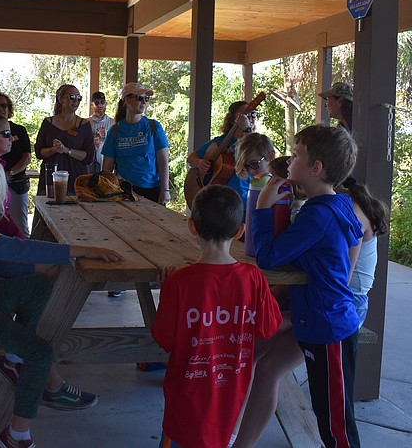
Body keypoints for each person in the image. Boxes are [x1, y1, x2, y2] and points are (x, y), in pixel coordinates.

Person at [0, 157, 123, 448]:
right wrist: (80, 250)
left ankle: (14, 359)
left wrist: (36, 270)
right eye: (0, 190)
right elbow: (19, 249)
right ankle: (17, 435)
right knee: (40, 353)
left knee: (38, 286)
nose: (5, 197)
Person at [252, 124, 363, 448]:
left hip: (326, 326)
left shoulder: (317, 215)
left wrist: (262, 207)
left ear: (316, 168)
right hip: (322, 319)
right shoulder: (337, 203)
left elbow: (268, 258)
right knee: (329, 413)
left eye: (297, 155)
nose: (290, 161)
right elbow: (354, 236)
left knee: (336, 422)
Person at [151, 184, 282, 448]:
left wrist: (166, 291)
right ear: (239, 232)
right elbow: (269, 327)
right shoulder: (253, 278)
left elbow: (164, 338)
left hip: (186, 402)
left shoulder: (179, 282)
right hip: (230, 399)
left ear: (192, 227)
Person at [102, 82, 170, 204]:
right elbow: (107, 166)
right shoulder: (115, 130)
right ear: (127, 100)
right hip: (124, 191)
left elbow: (163, 161)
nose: (144, 102)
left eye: (146, 98)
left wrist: (165, 190)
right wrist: (106, 189)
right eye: (140, 98)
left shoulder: (154, 126)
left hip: (152, 189)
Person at [187, 101, 257, 208]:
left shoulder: (257, 141)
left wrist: (248, 130)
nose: (249, 118)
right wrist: (200, 163)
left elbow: (254, 152)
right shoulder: (219, 142)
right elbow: (191, 158)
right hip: (217, 201)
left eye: (253, 114)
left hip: (243, 199)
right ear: (233, 119)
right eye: (244, 115)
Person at [342, 178, 389, 327]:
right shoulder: (358, 207)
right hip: (353, 296)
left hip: (352, 300)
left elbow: (347, 270)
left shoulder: (355, 213)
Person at [34, 84, 95, 195]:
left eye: (79, 98)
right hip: (50, 180)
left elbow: (89, 157)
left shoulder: (85, 125)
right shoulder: (48, 123)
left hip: (76, 181)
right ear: (61, 99)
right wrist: (54, 149)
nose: (76, 100)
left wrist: (67, 150)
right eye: (72, 97)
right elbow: (39, 152)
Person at [0, 93, 32, 238]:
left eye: (4, 105)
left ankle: (24, 257)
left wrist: (9, 173)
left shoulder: (19, 130)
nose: (0, 109)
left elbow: (27, 157)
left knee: (19, 226)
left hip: (16, 183)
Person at [88, 91, 114, 174]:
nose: (100, 105)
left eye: (102, 102)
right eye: (97, 103)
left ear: (105, 104)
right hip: (89, 166)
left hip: (107, 166)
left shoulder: (113, 123)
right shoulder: (86, 123)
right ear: (92, 105)